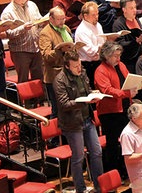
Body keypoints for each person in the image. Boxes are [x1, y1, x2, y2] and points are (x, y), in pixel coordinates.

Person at [53, 50, 103, 193]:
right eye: (75, 66)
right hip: (72, 123)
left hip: (87, 119)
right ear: (67, 66)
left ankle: (100, 187)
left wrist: (93, 94)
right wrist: (83, 102)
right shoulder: (60, 80)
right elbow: (63, 104)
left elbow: (86, 91)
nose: (79, 68)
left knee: (97, 152)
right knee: (78, 157)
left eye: (79, 65)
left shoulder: (83, 73)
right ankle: (80, 189)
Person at [94, 42, 136, 177]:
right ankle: (113, 173)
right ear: (106, 56)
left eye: (119, 55)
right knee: (112, 144)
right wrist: (127, 94)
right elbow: (107, 90)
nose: (118, 59)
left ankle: (124, 170)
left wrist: (138, 84)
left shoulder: (121, 65)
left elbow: (129, 79)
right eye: (115, 56)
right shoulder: (100, 70)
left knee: (125, 141)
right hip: (110, 113)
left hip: (123, 108)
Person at [0, 0, 44, 82]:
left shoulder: (32, 5)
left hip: (35, 47)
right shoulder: (8, 12)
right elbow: (8, 34)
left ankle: (40, 98)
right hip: (20, 51)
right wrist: (23, 28)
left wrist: (42, 23)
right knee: (23, 79)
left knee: (39, 78)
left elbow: (38, 20)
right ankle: (25, 97)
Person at [38, 7, 73, 118]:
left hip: (69, 72)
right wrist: (59, 50)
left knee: (70, 106)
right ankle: (55, 134)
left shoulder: (66, 28)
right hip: (54, 75)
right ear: (51, 19)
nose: (62, 22)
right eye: (59, 19)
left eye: (63, 18)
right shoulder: (45, 33)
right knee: (58, 109)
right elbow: (46, 55)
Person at [113, 0, 142, 73]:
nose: (134, 10)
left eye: (135, 7)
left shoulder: (136, 19)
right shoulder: (118, 24)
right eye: (131, 8)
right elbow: (120, 44)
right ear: (124, 10)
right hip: (129, 62)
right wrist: (136, 41)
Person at [74, 1, 105, 89]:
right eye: (93, 15)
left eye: (97, 14)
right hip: (88, 66)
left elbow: (103, 40)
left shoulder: (98, 25)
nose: (96, 17)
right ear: (85, 16)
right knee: (92, 90)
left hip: (99, 62)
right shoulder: (82, 31)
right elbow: (91, 52)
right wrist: (101, 47)